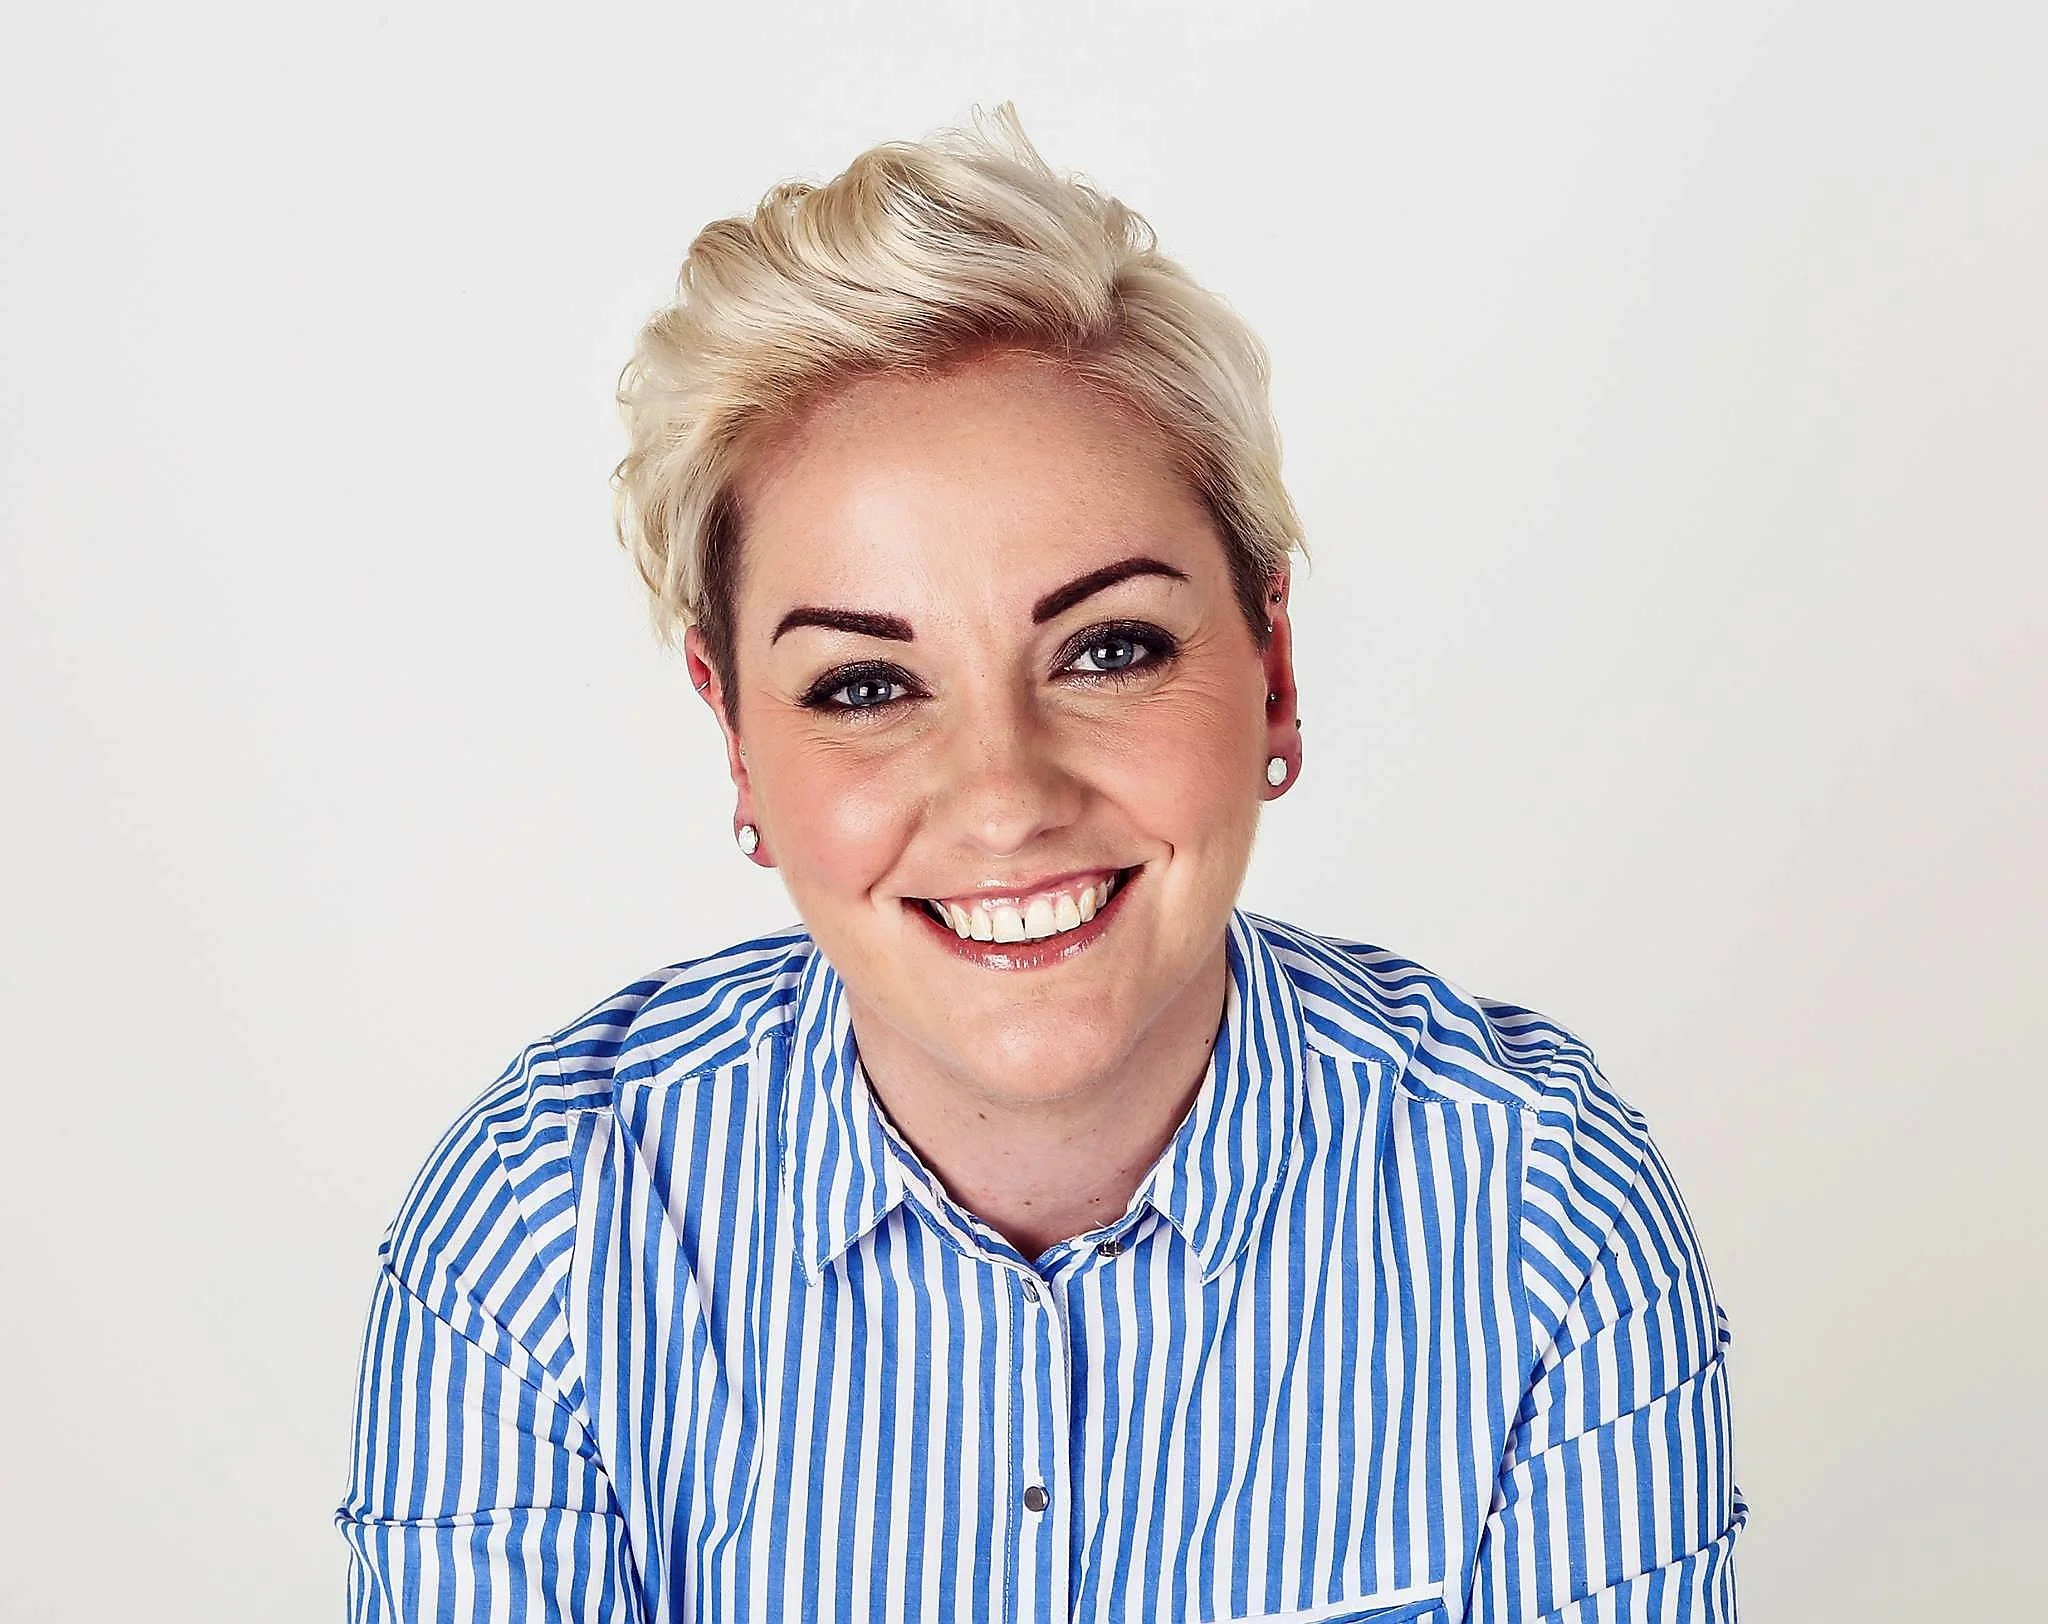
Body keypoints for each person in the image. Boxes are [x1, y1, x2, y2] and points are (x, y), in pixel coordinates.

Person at [337, 109, 1743, 1623]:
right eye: (867, 687)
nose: (1003, 798)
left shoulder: (1544, 1212)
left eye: (1107, 648)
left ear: (1270, 667)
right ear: (738, 741)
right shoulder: (542, 1233)